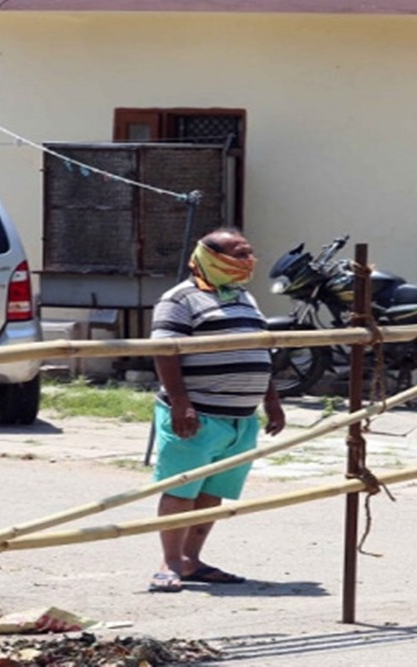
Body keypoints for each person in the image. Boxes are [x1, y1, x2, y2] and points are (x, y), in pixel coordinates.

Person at [147, 228, 286, 592]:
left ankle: (191, 559)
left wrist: (271, 401)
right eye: (239, 254)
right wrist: (181, 403)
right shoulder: (180, 299)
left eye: (249, 253)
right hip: (198, 415)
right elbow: (165, 352)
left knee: (212, 492)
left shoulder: (243, 297)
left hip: (240, 419)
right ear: (210, 256)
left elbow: (261, 350)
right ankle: (169, 562)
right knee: (182, 489)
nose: (248, 261)